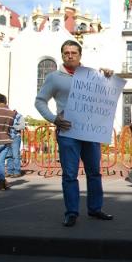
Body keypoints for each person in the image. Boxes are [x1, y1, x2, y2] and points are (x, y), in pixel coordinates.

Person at [35, 39, 114, 227]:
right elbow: (40, 101)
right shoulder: (54, 77)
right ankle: (71, 212)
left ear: (80, 55)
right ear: (62, 55)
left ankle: (95, 209)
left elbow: (106, 96)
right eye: (66, 53)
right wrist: (54, 119)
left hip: (89, 131)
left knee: (94, 172)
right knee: (70, 174)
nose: (70, 55)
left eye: (74, 52)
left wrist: (109, 77)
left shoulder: (92, 75)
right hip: (68, 131)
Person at [6, 111, 25, 178]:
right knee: (9, 155)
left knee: (15, 155)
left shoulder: (19, 116)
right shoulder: (6, 115)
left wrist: (12, 126)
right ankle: (9, 171)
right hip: (8, 137)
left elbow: (22, 126)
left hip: (16, 137)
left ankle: (17, 172)